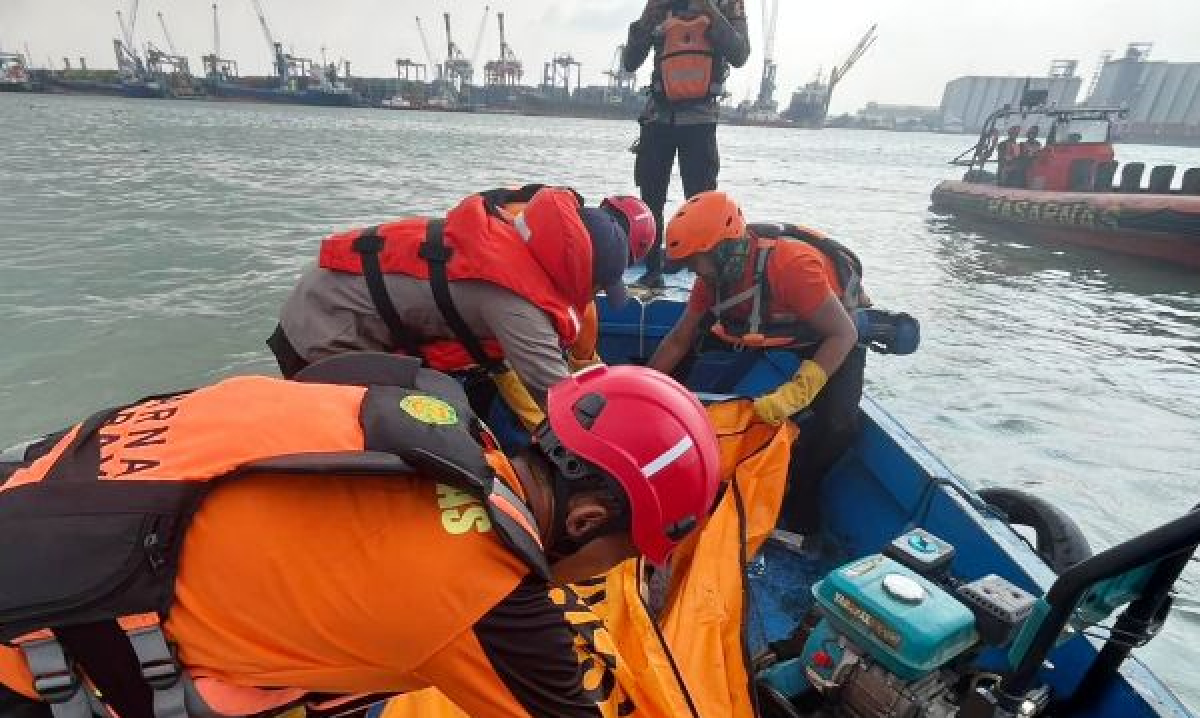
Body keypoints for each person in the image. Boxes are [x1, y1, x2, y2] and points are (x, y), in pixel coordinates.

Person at [0, 356, 722, 718]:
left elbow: (297, 629)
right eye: (622, 557)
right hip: (27, 692)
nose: (613, 575)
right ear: (588, 518)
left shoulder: (406, 404)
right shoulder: (487, 594)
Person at [267, 186, 656, 433]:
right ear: (580, 272)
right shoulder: (518, 307)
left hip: (327, 296)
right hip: (325, 327)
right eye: (598, 287)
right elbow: (565, 407)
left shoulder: (510, 233)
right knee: (394, 430)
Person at [648, 191, 889, 544]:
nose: (693, 272)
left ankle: (798, 503)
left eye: (697, 261)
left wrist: (797, 391)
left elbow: (843, 333)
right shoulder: (710, 282)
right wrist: (647, 384)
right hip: (763, 329)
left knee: (837, 424)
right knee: (685, 359)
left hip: (828, 335)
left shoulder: (792, 266)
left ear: (725, 250)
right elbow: (678, 340)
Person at [623, 0, 750, 288]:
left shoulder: (728, 4)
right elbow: (630, 61)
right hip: (658, 118)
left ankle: (704, 277)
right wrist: (646, 19)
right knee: (650, 197)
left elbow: (740, 54)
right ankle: (652, 268)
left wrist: (709, 10)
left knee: (703, 201)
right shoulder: (660, 5)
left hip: (700, 120)